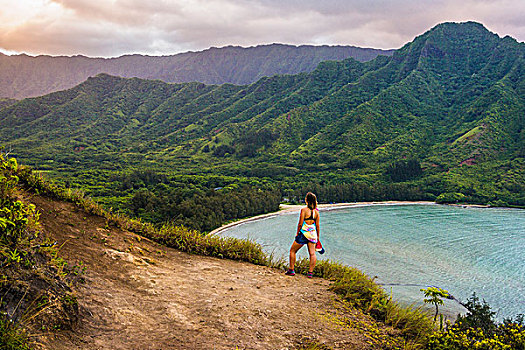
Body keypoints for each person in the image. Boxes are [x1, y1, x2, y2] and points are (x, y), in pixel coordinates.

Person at [285, 192, 320, 278]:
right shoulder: (316, 212)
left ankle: (291, 270)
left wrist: (297, 233)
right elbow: (318, 226)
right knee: (312, 254)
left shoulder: (304, 210)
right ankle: (310, 273)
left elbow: (300, 223)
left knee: (292, 251)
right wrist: (318, 237)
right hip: (312, 234)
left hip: (304, 234)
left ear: (306, 200)